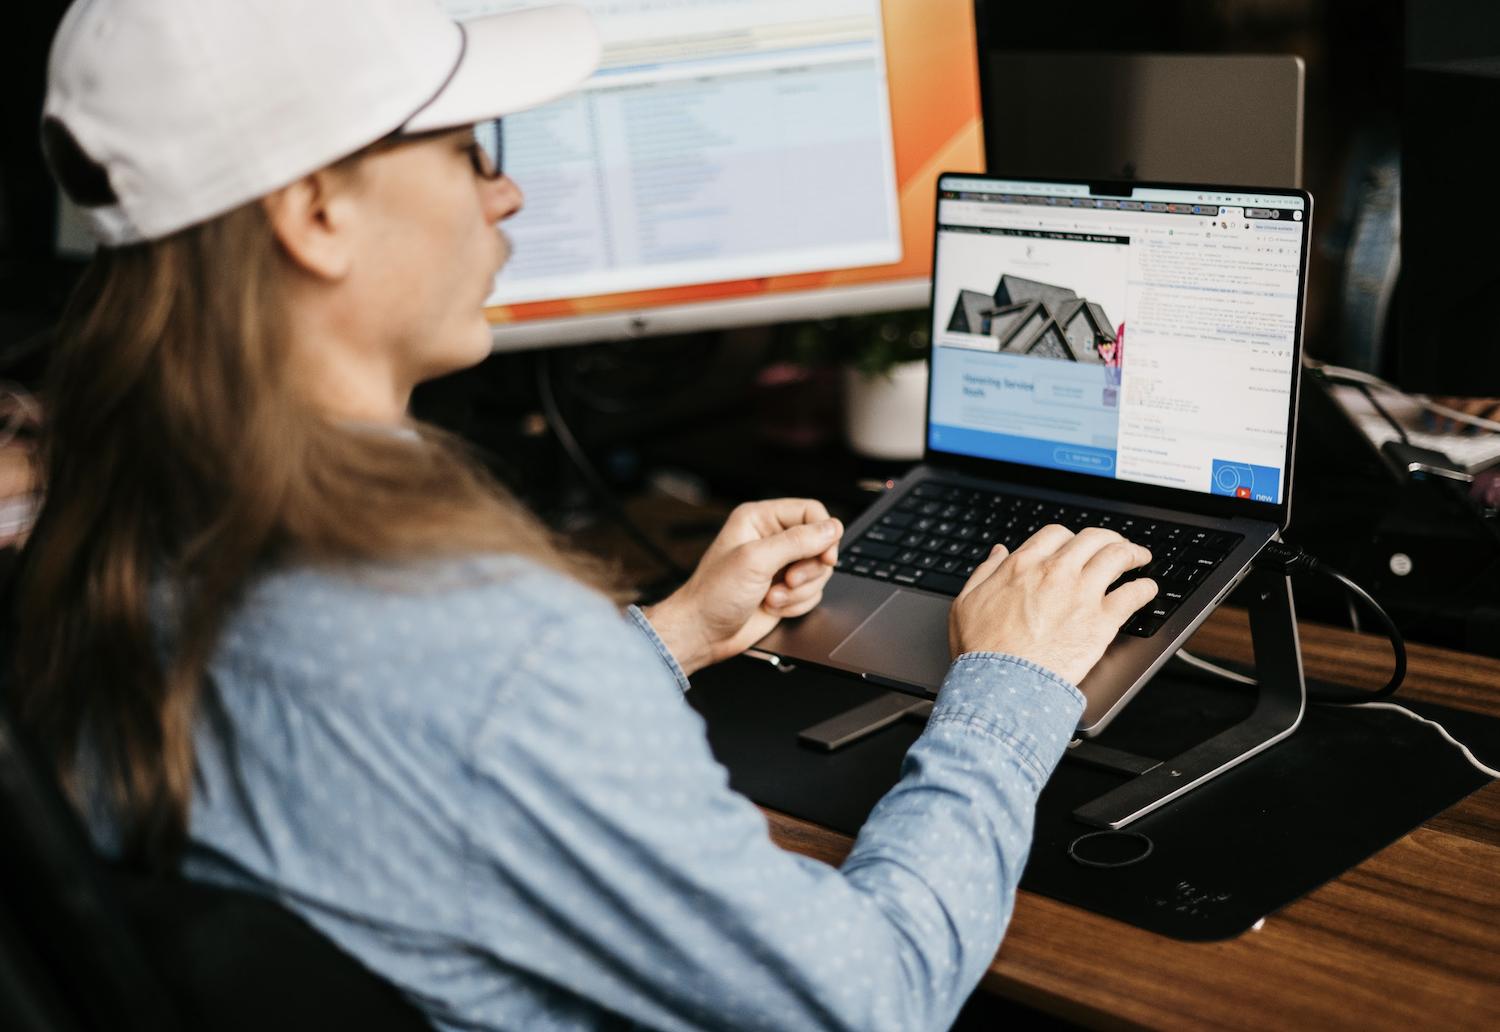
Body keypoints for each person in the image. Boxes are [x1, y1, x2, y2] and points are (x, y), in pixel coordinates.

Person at [14, 2, 1158, 1030]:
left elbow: (406, 769)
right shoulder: (482, 632)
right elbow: (876, 997)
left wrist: (672, 634)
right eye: (468, 155)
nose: (506, 192)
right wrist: (1012, 682)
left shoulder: (105, 527)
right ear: (314, 214)